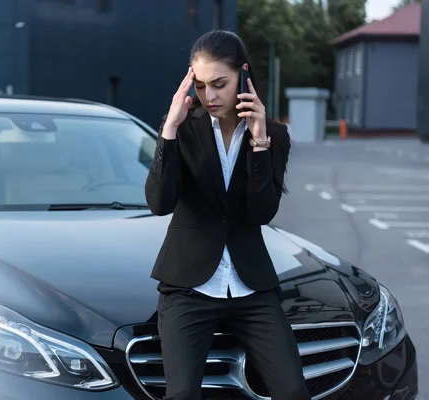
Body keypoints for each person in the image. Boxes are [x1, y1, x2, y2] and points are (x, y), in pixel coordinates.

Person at [145, 30, 310, 400]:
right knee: (182, 394)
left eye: (220, 83)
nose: (210, 96)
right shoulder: (182, 130)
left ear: (244, 75)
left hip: (251, 286)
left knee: (294, 391)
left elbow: (262, 212)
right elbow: (159, 203)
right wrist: (169, 130)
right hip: (189, 288)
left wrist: (260, 143)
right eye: (201, 86)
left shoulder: (273, 135)